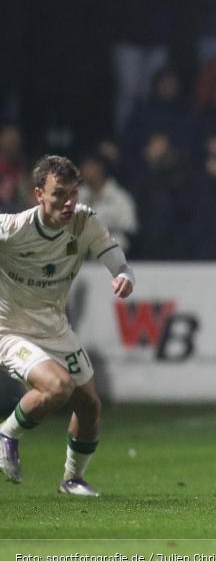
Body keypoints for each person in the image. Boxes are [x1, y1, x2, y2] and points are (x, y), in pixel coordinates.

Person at [0, 155, 136, 495]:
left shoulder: (85, 222)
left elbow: (119, 263)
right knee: (58, 387)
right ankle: (7, 433)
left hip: (56, 329)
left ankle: (73, 479)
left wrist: (124, 276)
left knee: (89, 406)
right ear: (39, 194)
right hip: (11, 330)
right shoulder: (13, 228)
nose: (68, 202)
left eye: (73, 193)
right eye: (59, 194)